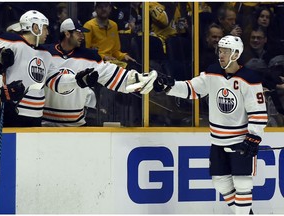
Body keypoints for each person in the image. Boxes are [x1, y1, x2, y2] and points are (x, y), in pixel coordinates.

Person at [154, 35, 267, 214]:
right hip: (218, 141)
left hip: (240, 139)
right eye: (220, 51)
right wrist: (169, 86)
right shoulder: (212, 72)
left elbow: (258, 112)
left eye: (225, 51)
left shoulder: (250, 79)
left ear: (236, 54)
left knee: (242, 183)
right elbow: (191, 89)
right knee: (220, 181)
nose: (221, 55)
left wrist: (254, 137)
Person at [0, 10, 155, 127]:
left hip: (36, 119)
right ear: (35, 27)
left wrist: (78, 80)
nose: (47, 31)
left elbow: (56, 81)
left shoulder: (44, 54)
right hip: (12, 115)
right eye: (44, 28)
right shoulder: (9, 40)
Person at [42, 18, 156, 126]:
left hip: (76, 124)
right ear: (67, 34)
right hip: (45, 124)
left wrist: (133, 78)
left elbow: (108, 72)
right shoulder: (45, 53)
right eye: (78, 32)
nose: (82, 36)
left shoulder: (89, 56)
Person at [83, 2, 135, 68]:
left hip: (112, 63)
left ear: (110, 8)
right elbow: (85, 51)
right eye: (100, 7)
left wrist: (124, 56)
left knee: (133, 67)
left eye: (106, 6)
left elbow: (115, 51)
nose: (103, 9)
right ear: (95, 9)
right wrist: (103, 57)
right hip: (96, 63)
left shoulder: (114, 25)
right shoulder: (89, 26)